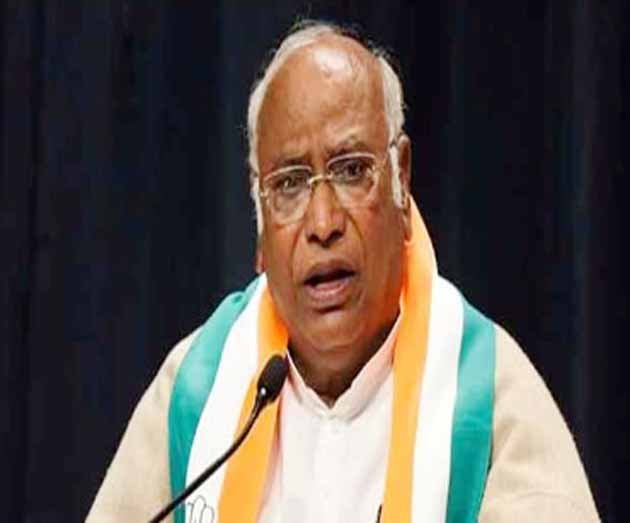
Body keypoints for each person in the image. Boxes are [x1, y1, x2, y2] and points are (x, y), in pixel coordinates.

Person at [87, 21, 599, 523]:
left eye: (352, 171)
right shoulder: (196, 390)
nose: (323, 223)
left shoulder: (489, 395)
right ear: (259, 225)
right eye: (289, 184)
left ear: (401, 182)